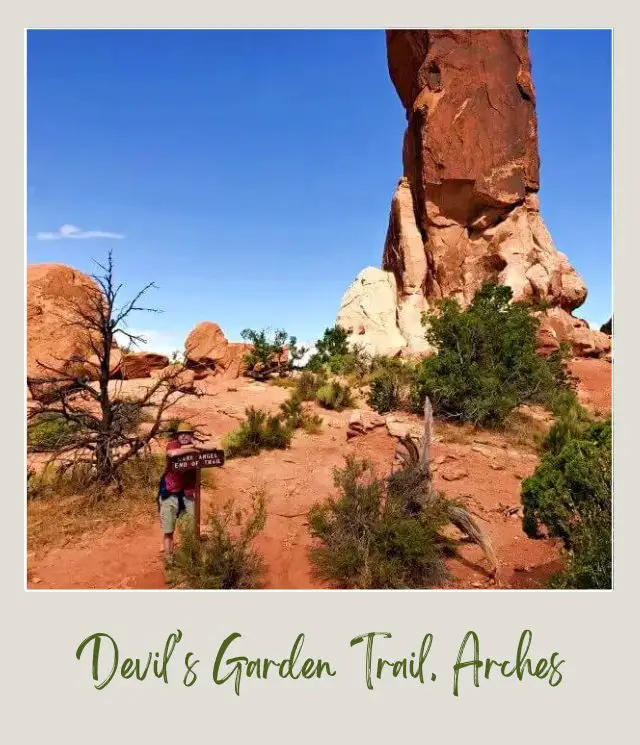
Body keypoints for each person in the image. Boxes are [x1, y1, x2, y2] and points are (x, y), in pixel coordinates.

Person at [159, 424, 201, 560]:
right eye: (181, 433)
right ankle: (169, 561)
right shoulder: (172, 445)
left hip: (188, 494)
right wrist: (191, 448)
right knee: (168, 530)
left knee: (190, 529)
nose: (183, 436)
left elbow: (212, 448)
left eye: (187, 433)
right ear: (177, 435)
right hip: (170, 493)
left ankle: (189, 560)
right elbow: (172, 453)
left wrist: (194, 446)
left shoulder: (195, 444)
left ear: (192, 435)